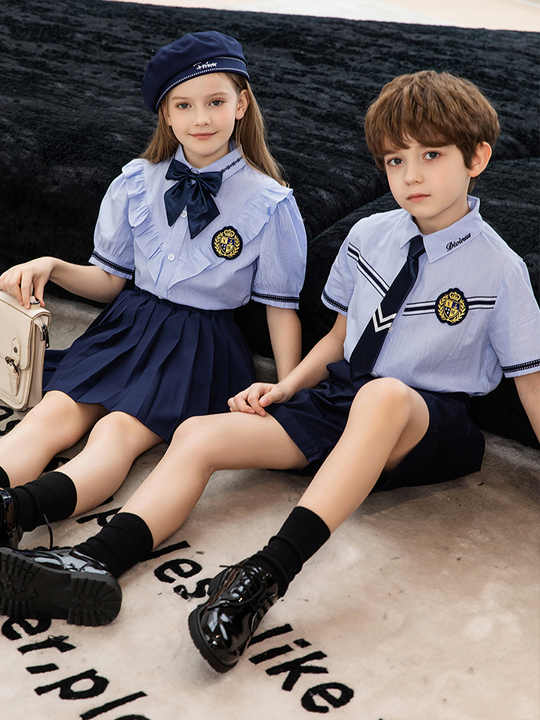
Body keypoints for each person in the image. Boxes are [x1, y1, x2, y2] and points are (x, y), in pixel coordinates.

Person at [2, 68, 539, 656]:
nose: (411, 176)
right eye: (395, 160)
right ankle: (88, 559)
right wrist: (286, 388)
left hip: (428, 423)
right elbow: (340, 338)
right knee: (199, 434)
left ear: (477, 157)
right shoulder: (369, 235)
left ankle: (263, 575)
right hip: (341, 402)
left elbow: (532, 388)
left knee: (382, 396)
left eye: (431, 156)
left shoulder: (501, 270)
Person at [0, 31, 306, 625]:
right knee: (52, 413)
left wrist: (287, 388)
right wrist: (54, 266)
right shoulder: (137, 182)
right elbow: (109, 282)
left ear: (242, 104)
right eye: (184, 105)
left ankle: (21, 513)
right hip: (129, 322)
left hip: (200, 342)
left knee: (116, 434)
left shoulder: (270, 203)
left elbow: (280, 308)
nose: (201, 118)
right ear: (166, 114)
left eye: (216, 102)